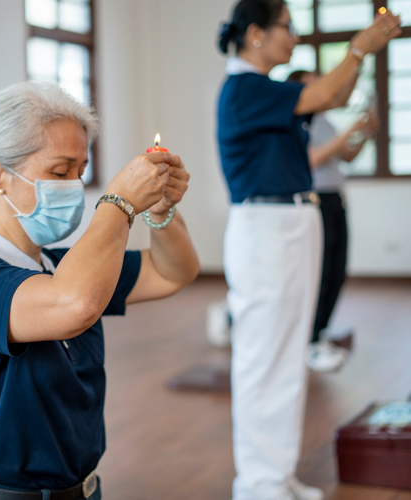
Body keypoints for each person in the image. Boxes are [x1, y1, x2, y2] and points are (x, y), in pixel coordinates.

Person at [0, 81, 200, 500]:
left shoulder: (60, 264)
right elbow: (75, 303)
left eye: (80, 172)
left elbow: (172, 272)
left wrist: (161, 211)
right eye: (59, 172)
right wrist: (119, 203)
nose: (73, 185)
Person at [216, 1, 400, 499]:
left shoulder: (268, 90)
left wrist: (361, 59)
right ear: (255, 34)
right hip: (266, 228)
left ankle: (277, 475)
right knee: (264, 360)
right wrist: (360, 47)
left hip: (292, 221)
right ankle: (257, 485)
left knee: (287, 358)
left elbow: (331, 97)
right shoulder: (244, 87)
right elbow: (328, 90)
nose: (294, 38)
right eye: (288, 28)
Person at [288, 70, 379, 373]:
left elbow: (346, 156)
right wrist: (347, 132)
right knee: (321, 272)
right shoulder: (297, 123)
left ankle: (320, 334)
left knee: (337, 271)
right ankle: (310, 341)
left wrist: (364, 135)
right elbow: (311, 159)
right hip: (316, 201)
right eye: (313, 82)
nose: (322, 87)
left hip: (336, 200)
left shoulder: (324, 121)